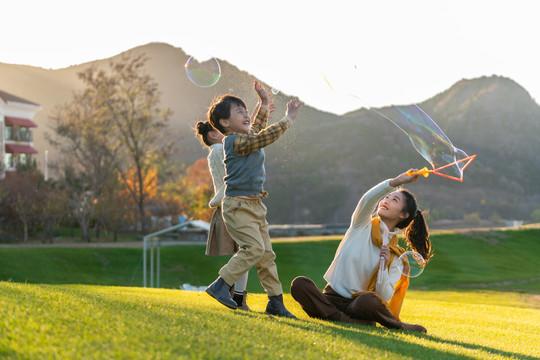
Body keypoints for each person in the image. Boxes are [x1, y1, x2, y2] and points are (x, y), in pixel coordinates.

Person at [290, 170, 432, 332]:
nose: (386, 200)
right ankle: (349, 321)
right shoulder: (361, 224)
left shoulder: (395, 255)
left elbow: (384, 297)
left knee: (369, 300)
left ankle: (393, 325)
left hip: (358, 305)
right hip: (331, 297)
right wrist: (396, 181)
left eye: (394, 200)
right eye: (386, 197)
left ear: (403, 214)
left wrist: (384, 267)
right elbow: (368, 199)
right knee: (300, 285)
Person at [205, 81, 301, 318]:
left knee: (266, 255)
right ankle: (220, 285)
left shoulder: (245, 136)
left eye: (246, 110)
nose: (246, 114)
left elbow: (257, 129)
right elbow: (262, 137)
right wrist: (288, 119)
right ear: (225, 123)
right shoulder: (233, 142)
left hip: (255, 205)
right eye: (239, 112)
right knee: (254, 248)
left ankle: (275, 302)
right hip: (237, 207)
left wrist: (264, 104)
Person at [195, 120, 251, 310]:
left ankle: (234, 296)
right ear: (212, 134)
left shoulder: (217, 150)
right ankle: (235, 297)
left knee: (245, 252)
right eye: (219, 130)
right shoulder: (220, 149)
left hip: (231, 202)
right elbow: (231, 176)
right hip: (233, 204)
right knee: (248, 251)